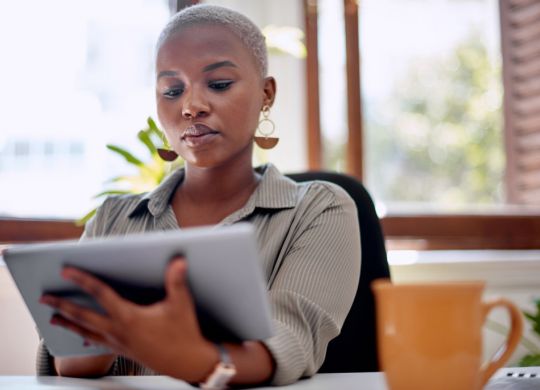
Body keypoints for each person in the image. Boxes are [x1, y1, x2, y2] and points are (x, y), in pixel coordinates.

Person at [37, 4, 361, 388]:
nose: (191, 107)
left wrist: (175, 351)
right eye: (172, 90)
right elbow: (69, 366)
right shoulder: (113, 219)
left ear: (266, 94)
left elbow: (288, 342)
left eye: (219, 84)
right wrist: (98, 338)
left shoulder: (319, 210)